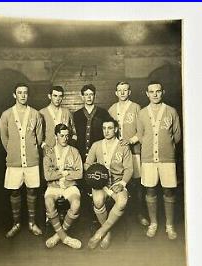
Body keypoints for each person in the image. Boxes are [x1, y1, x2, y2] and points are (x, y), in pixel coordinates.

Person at [137, 81, 181, 239]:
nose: (155, 94)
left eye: (158, 91)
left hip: (167, 158)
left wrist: (165, 147)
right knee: (150, 189)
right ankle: (153, 222)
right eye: (151, 91)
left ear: (163, 92)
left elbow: (177, 137)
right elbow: (141, 137)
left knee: (169, 190)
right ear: (147, 94)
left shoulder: (171, 111)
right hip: (148, 158)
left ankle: (169, 225)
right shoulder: (142, 113)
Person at [0, 83, 43, 238]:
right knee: (14, 190)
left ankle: (32, 223)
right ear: (14, 95)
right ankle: (16, 223)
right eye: (20, 93)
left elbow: (39, 138)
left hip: (31, 160)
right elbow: (5, 139)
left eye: (25, 93)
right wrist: (14, 151)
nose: (23, 95)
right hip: (14, 161)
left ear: (28, 95)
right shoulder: (6, 115)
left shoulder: (36, 114)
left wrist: (30, 150)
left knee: (32, 189)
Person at [84, 117, 133, 249]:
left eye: (110, 128)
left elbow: (129, 169)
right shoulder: (96, 145)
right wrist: (94, 172)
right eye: (104, 128)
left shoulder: (123, 146)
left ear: (116, 129)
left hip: (117, 182)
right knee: (98, 201)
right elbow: (87, 164)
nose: (106, 131)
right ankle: (108, 233)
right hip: (101, 183)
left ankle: (100, 232)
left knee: (122, 201)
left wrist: (122, 183)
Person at [108, 81, 148, 226]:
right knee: (119, 181)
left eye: (125, 90)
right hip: (118, 153)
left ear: (129, 92)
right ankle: (121, 215)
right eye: (120, 90)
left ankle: (139, 213)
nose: (122, 93)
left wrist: (131, 141)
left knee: (136, 183)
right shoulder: (112, 109)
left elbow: (142, 131)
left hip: (134, 151)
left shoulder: (137, 107)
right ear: (116, 93)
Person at [43, 123, 83, 249]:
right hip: (54, 186)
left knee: (76, 204)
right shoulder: (49, 153)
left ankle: (57, 236)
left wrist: (63, 175)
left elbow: (79, 173)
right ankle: (65, 238)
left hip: (70, 185)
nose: (65, 138)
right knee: (48, 202)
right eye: (61, 136)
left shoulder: (74, 151)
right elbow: (48, 176)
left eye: (67, 136)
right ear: (56, 136)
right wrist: (64, 173)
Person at [73, 84, 109, 162]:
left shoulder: (103, 113)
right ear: (82, 97)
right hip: (81, 152)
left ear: (95, 96)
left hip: (99, 152)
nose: (89, 97)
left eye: (91, 94)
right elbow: (74, 134)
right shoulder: (77, 115)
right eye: (86, 95)